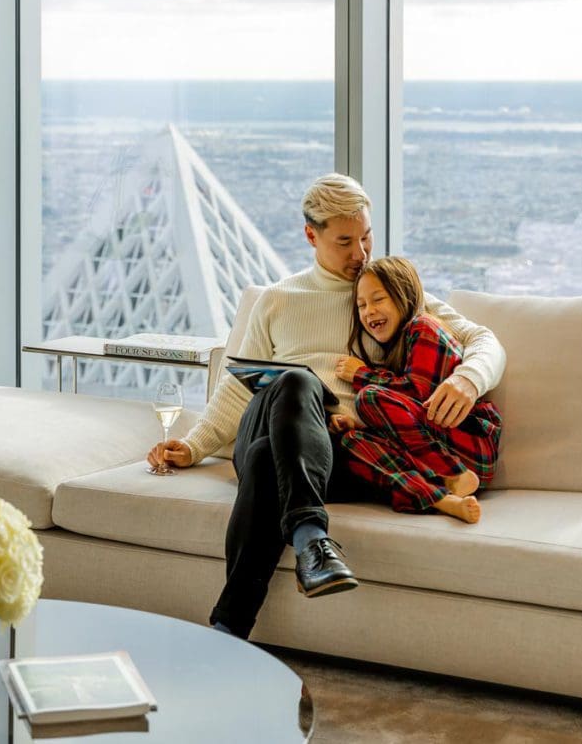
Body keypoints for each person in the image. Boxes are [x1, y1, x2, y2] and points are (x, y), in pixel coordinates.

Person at [145, 174, 506, 640]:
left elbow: (484, 339)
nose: (361, 253)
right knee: (296, 381)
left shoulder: (390, 296)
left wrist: (467, 380)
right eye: (345, 242)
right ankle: (313, 538)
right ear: (311, 236)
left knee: (262, 462)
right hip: (272, 417)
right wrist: (193, 445)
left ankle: (228, 629)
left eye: (366, 237)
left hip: (343, 454)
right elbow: (237, 390)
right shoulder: (278, 300)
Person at [331, 256, 502, 524]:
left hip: (469, 443)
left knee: (370, 397)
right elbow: (409, 423)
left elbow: (418, 395)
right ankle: (440, 498)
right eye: (361, 305)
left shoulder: (424, 327)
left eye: (378, 299)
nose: (368, 311)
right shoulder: (397, 346)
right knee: (350, 440)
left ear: (404, 296)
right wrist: (360, 426)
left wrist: (361, 374)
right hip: (437, 447)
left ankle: (452, 473)